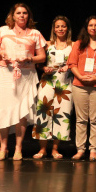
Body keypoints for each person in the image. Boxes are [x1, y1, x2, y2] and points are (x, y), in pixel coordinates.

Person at [0, 4, 46, 161]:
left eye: (25, 13)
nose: (22, 15)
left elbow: (42, 56)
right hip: (6, 74)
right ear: (12, 16)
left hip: (26, 75)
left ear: (28, 16)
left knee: (22, 112)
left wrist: (30, 58)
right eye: (18, 13)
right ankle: (3, 148)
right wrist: (2, 53)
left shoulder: (35, 33)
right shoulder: (2, 31)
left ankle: (18, 148)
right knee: (3, 109)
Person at [67, 16, 96, 161]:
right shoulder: (79, 44)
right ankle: (80, 149)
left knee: (95, 119)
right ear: (86, 28)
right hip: (80, 85)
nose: (93, 28)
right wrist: (80, 77)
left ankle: (93, 149)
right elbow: (72, 64)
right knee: (81, 119)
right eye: (91, 25)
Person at [33, 16, 74, 160]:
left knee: (62, 114)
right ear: (54, 29)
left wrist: (68, 67)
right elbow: (38, 63)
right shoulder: (47, 44)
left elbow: (76, 63)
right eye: (57, 26)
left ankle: (55, 149)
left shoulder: (73, 45)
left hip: (65, 82)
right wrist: (44, 67)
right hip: (48, 81)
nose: (60, 29)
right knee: (44, 112)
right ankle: (43, 148)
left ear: (67, 28)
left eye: (63, 26)